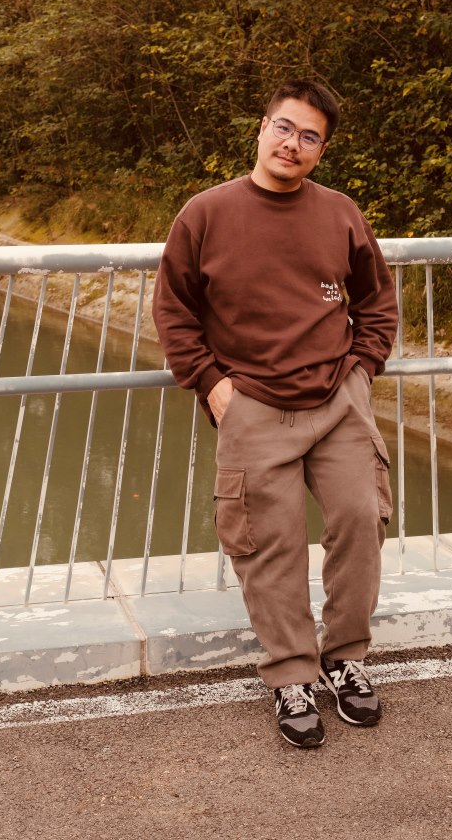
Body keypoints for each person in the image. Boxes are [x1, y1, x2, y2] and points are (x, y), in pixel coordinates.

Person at [152, 79, 398, 748]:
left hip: (337, 399)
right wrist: (210, 385)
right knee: (271, 542)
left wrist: (362, 370)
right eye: (285, 128)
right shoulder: (205, 213)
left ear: (322, 150)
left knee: (361, 518)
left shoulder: (340, 213)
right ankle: (292, 674)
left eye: (310, 136)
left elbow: (377, 303)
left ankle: (345, 658)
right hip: (252, 403)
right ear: (262, 130)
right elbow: (173, 310)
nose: (294, 143)